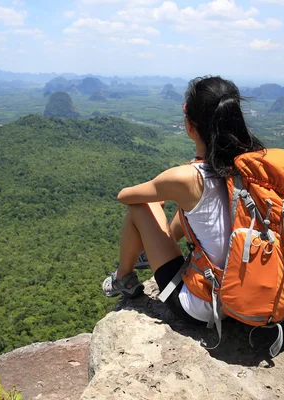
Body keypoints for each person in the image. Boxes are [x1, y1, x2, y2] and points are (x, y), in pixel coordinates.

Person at [102, 76, 265, 325]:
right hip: (247, 292)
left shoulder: (187, 177)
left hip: (204, 307)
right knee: (189, 206)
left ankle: (123, 278)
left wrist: (160, 196)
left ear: (190, 127)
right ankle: (148, 254)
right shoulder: (251, 163)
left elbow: (124, 196)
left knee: (140, 206)